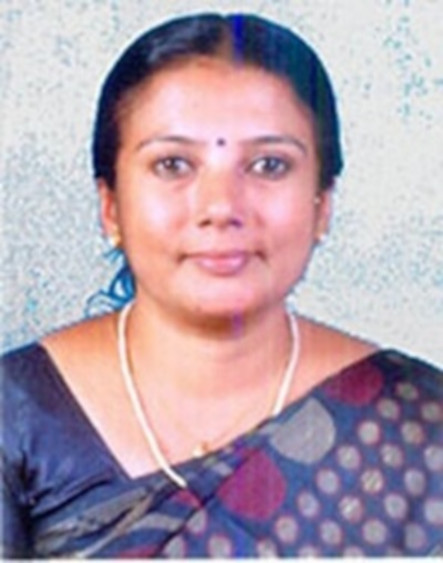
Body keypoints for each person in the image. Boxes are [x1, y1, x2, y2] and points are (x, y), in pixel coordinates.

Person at [1, 12, 442, 558]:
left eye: (269, 165)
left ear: (322, 205)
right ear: (110, 205)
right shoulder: (15, 415)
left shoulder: (417, 425)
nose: (221, 207)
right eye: (172, 164)